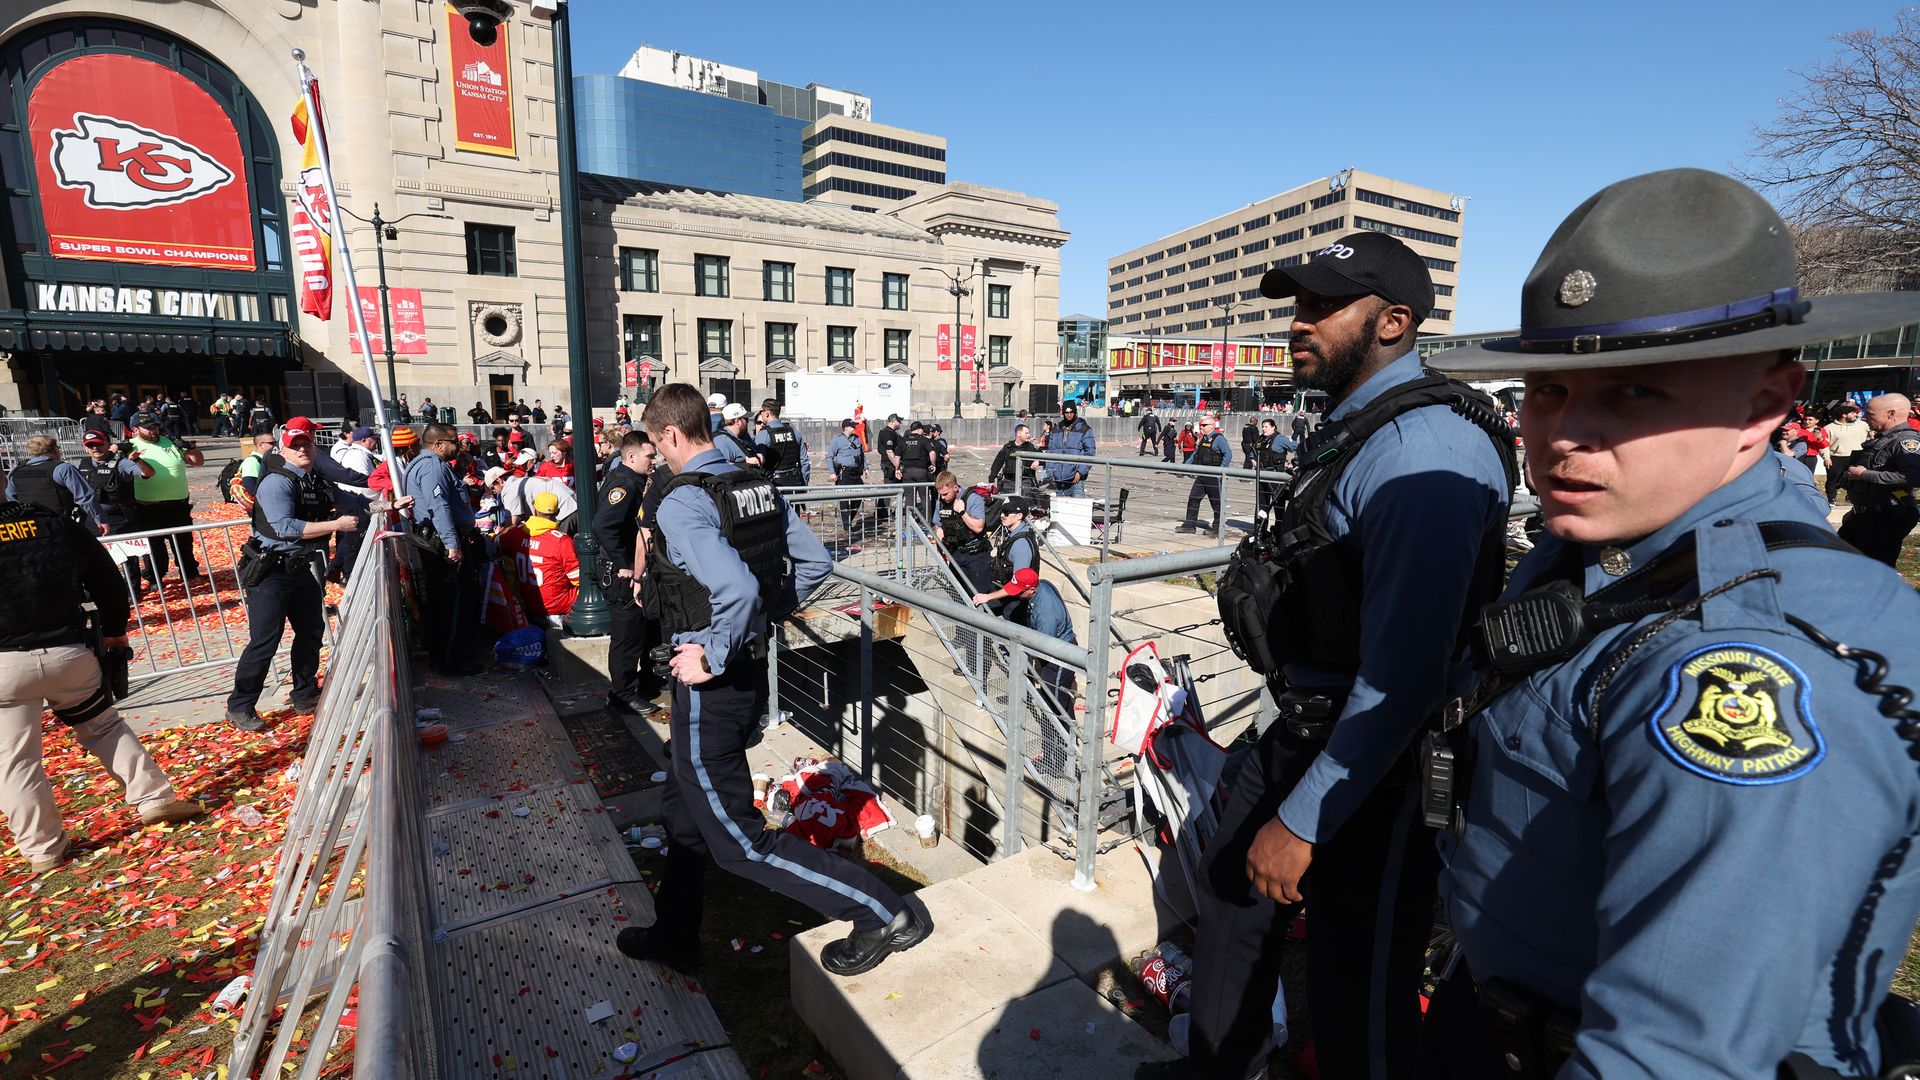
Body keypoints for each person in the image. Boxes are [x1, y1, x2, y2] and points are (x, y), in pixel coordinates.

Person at [1420, 167, 1920, 1080]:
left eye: (1635, 393)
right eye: (1547, 390)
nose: (1563, 435)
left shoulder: (1744, 661)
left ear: (1764, 406)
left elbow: (1678, 1052)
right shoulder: (1609, 541)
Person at [1157, 231, 1514, 1080]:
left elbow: (1406, 679)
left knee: (1360, 990)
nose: (1298, 322)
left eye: (1322, 306)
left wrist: (1302, 821)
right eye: (1298, 304)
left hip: (1379, 763)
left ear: (1393, 322)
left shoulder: (1424, 451)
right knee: (1230, 893)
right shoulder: (1358, 425)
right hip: (1305, 723)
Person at [617, 383, 925, 977]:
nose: (655, 459)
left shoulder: (683, 501)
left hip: (712, 686)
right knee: (684, 812)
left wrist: (712, 654)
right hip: (748, 672)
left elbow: (735, 590)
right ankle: (674, 934)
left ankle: (882, 912)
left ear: (671, 434)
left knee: (739, 842)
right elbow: (815, 563)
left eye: (656, 446)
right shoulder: (753, 482)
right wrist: (761, 620)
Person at [0, 489, 205, 871]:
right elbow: (106, 577)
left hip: (4, 668)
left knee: (14, 761)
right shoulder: (52, 523)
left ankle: (43, 849)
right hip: (67, 653)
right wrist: (114, 629)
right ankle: (153, 798)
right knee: (104, 727)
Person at [226, 418, 363, 730]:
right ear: (283, 451)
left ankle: (304, 693)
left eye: (306, 444)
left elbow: (354, 504)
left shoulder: (316, 481)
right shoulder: (277, 482)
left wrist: (389, 504)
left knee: (311, 631)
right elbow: (285, 527)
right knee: (265, 641)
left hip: (300, 569)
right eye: (295, 445)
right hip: (269, 572)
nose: (302, 449)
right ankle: (240, 705)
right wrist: (335, 525)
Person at [595, 431, 662, 713]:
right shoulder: (624, 484)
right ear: (632, 456)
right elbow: (603, 526)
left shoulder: (633, 480)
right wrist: (625, 564)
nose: (654, 460)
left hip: (634, 569)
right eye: (650, 456)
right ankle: (622, 694)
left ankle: (646, 682)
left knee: (645, 629)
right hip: (621, 573)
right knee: (628, 635)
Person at [406, 424, 480, 675]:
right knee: (450, 603)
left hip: (436, 540)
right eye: (453, 442)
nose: (457, 447)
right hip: (440, 544)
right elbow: (439, 507)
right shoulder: (432, 467)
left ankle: (447, 655)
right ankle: (449, 660)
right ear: (438, 444)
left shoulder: (427, 464)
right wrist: (452, 545)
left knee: (444, 602)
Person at [1838, 393, 1920, 565]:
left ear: (1891, 414)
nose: (1864, 418)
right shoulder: (1885, 439)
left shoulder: (1905, 441)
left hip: (1883, 518)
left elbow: (1913, 477)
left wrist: (1864, 474)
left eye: (1870, 414)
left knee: (1871, 570)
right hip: (1865, 516)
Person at [126, 411, 205, 586]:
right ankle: (155, 578)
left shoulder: (170, 441)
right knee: (154, 547)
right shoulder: (129, 446)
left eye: (155, 427)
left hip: (178, 504)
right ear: (135, 429)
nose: (153, 431)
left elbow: (198, 461)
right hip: (148, 506)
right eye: (148, 428)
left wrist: (190, 447)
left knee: (184, 542)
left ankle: (190, 573)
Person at [73, 428, 154, 589]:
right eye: (90, 445)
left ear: (107, 444)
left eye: (98, 444)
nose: (95, 448)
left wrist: (137, 460)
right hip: (91, 519)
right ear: (85, 448)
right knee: (94, 556)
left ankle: (132, 589)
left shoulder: (120, 462)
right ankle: (102, 589)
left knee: (128, 557)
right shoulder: (80, 464)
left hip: (118, 517)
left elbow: (148, 473)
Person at [7, 435, 106, 532]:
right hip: (61, 527)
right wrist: (100, 520)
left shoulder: (15, 472)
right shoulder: (63, 469)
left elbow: (11, 502)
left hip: (32, 529)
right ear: (54, 449)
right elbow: (84, 497)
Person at [510, 490, 578, 628]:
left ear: (535, 510)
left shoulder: (515, 534)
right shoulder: (561, 541)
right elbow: (579, 579)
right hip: (559, 608)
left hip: (528, 605)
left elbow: (498, 540)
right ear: (557, 512)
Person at [969, 495, 1040, 620]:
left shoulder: (1021, 544)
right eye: (1002, 511)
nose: (1002, 515)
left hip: (1016, 603)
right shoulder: (1013, 535)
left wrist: (988, 597)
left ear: (1019, 516)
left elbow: (1019, 584)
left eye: (1007, 513)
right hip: (1008, 594)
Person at [327, 427, 380, 581]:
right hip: (356, 502)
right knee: (353, 542)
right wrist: (378, 497)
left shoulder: (359, 454)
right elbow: (364, 483)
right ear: (364, 440)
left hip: (353, 501)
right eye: (373, 439)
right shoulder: (358, 456)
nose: (376, 441)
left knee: (348, 539)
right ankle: (349, 576)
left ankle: (336, 568)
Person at [935, 470, 993, 593]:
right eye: (941, 494)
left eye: (945, 494)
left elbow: (978, 527)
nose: (943, 498)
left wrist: (962, 512)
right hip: (955, 553)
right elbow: (938, 526)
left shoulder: (973, 499)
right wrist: (941, 550)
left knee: (979, 594)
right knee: (959, 593)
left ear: (955, 487)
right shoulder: (941, 502)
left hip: (975, 554)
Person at [1175, 416, 1232, 535]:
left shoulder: (1219, 439)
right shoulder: (1203, 439)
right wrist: (1185, 466)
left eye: (1204, 425)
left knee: (1216, 502)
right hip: (1202, 475)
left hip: (1214, 476)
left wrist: (1221, 470)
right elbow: (1196, 454)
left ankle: (1217, 528)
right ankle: (1190, 525)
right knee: (1193, 498)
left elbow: (1228, 454)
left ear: (1212, 426)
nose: (1202, 427)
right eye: (1201, 425)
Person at [827, 417, 867, 547]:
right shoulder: (837, 440)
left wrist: (866, 468)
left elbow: (862, 455)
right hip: (844, 473)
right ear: (845, 428)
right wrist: (832, 472)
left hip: (856, 473)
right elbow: (830, 457)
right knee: (844, 500)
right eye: (852, 426)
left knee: (859, 496)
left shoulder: (857, 439)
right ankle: (847, 526)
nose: (854, 428)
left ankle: (849, 518)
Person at [1042, 400, 1095, 497]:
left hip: (1076, 478)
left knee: (1077, 504)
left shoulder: (1084, 429)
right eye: (1066, 413)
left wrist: (1080, 472)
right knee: (1061, 505)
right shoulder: (1056, 430)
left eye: (1071, 412)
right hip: (1059, 478)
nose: (1069, 415)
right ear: (1063, 413)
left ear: (1075, 413)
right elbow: (1050, 452)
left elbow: (1090, 452)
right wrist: (1050, 472)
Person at [1823, 400, 1872, 504]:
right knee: (1833, 480)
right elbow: (1824, 445)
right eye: (1853, 413)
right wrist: (1826, 458)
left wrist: (1872, 433)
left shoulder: (1862, 425)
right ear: (1844, 415)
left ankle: (1851, 498)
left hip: (1857, 456)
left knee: (1856, 479)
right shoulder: (1828, 428)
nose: (1856, 415)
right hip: (1836, 457)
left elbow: (1874, 430)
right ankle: (1831, 499)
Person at [1249, 417, 1296, 524]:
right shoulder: (1261, 439)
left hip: (1276, 476)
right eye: (1263, 427)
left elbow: (1295, 447)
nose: (1263, 429)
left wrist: (1293, 463)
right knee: (1262, 504)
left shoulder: (1279, 438)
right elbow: (1252, 451)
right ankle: (1261, 528)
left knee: (1278, 504)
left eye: (1266, 427)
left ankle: (1279, 528)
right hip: (1262, 475)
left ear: (1273, 427)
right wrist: (1253, 460)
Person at [756, 400, 810, 487]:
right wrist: (804, 484)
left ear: (766, 413)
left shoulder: (764, 434)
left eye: (761, 411)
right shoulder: (794, 432)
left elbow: (757, 462)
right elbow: (804, 462)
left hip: (774, 484)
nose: (761, 414)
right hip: (795, 482)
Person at [896, 421, 938, 520]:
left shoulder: (903, 440)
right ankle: (927, 521)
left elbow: (897, 456)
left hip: (907, 471)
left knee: (909, 496)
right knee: (924, 496)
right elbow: (932, 453)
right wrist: (933, 465)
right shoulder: (924, 440)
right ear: (919, 429)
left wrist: (897, 469)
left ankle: (910, 521)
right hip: (921, 471)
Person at [989, 423, 1042, 494]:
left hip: (1025, 482)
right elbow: (997, 463)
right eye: (1026, 433)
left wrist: (1037, 461)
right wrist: (991, 479)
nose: (1029, 435)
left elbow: (1045, 458)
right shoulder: (1008, 447)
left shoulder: (1031, 447)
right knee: (1008, 500)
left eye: (1028, 433)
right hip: (1009, 482)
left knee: (1025, 499)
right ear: (1018, 434)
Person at [875, 413, 904, 529]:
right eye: (899, 421)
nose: (900, 423)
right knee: (889, 488)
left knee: (890, 488)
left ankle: (882, 512)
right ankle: (884, 513)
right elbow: (889, 451)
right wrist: (897, 466)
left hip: (890, 464)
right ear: (893, 421)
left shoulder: (890, 432)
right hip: (890, 464)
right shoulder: (888, 433)